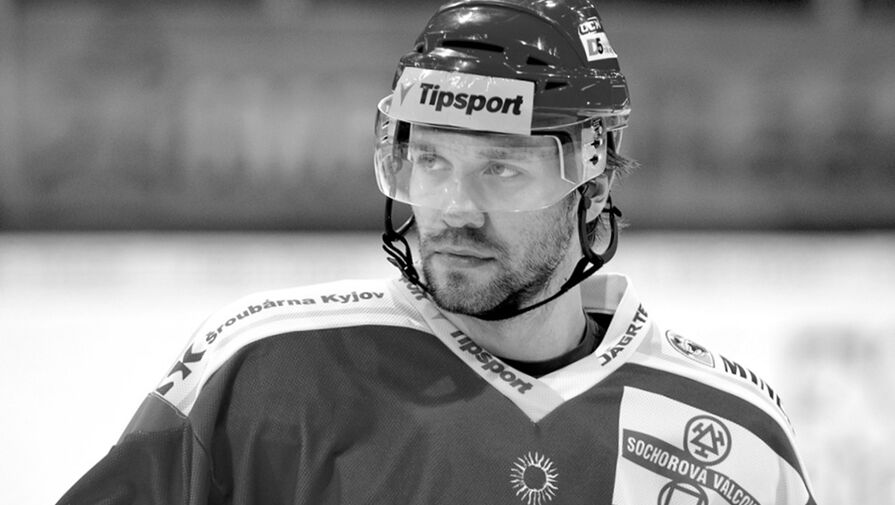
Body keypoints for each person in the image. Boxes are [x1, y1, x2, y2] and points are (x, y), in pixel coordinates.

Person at [57, 0, 817, 504]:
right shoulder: (264, 368)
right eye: (429, 162)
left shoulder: (732, 437)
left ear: (592, 181)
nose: (454, 208)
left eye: (500, 168)